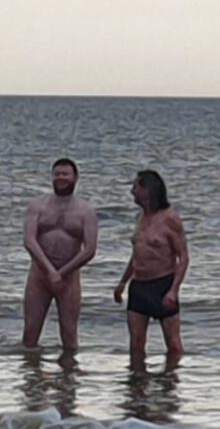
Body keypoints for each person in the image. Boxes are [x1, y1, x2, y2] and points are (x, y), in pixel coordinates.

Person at [113, 169, 189, 368]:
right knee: (136, 344)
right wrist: (122, 283)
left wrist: (174, 290)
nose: (132, 191)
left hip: (162, 285)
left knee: (173, 344)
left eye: (136, 187)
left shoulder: (170, 219)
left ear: (148, 190)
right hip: (139, 287)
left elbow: (183, 258)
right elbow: (137, 254)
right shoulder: (140, 217)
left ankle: (171, 379)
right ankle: (138, 381)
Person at [22, 158, 98, 351]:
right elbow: (29, 240)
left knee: (69, 333)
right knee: (30, 332)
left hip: (69, 278)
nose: (61, 178)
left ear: (76, 178)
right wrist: (50, 271)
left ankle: (69, 369)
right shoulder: (38, 206)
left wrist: (61, 273)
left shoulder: (86, 211)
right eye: (57, 174)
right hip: (39, 276)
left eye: (65, 174)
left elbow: (90, 249)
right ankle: (31, 369)